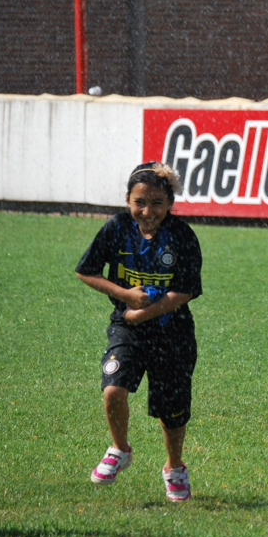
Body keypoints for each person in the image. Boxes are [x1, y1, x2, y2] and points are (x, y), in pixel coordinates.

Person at [75, 162, 203, 501]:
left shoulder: (182, 235)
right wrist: (125, 296)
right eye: (139, 202)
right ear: (127, 200)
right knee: (113, 389)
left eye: (157, 203)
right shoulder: (116, 228)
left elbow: (186, 290)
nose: (147, 211)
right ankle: (120, 449)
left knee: (171, 411)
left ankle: (174, 468)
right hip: (127, 328)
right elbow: (86, 271)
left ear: (170, 203)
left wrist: (143, 312)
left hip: (173, 333)